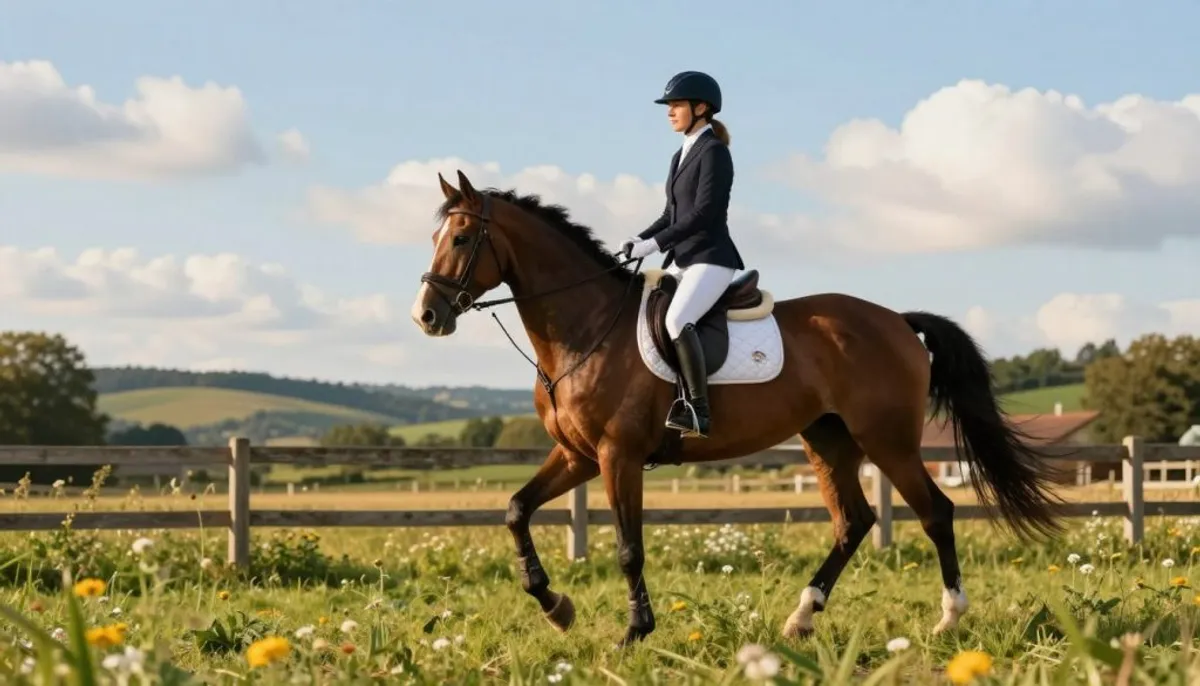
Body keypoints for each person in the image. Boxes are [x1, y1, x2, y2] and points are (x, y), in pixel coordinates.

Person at [620, 70, 745, 439]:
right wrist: (637, 240)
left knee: (677, 321)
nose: (669, 112)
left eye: (676, 105)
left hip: (711, 258)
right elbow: (670, 215)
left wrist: (653, 245)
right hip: (683, 261)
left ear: (701, 108)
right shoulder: (680, 155)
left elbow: (703, 214)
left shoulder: (715, 153)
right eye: (669, 106)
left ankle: (698, 411)